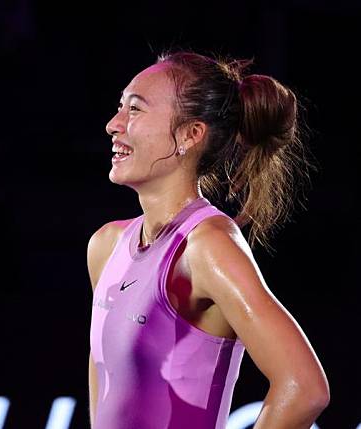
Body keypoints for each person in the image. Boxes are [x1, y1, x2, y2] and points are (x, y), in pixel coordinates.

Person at [87, 50, 329, 429]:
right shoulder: (105, 246)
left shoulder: (208, 246)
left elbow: (305, 388)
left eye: (135, 110)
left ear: (190, 135)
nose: (113, 125)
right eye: (120, 107)